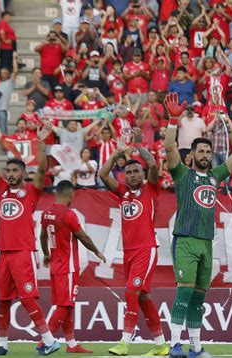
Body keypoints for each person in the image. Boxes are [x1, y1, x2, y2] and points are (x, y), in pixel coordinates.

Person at [163, 92, 232, 357]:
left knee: (199, 298)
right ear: (191, 155)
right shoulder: (182, 175)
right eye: (200, 151)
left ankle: (195, 347)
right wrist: (173, 121)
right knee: (184, 294)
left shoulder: (216, 176)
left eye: (208, 151)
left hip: (206, 242)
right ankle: (174, 345)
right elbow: (170, 148)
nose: (205, 154)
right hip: (185, 240)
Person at [0, 112, 60, 356]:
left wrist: (43, 142)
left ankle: (49, 340)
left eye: (15, 170)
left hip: (23, 252)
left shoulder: (32, 192)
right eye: (9, 171)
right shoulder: (2, 190)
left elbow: (43, 168)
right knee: (3, 301)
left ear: (23, 173)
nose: (10, 174)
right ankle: (3, 344)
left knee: (27, 298)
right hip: (4, 253)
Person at [99, 128, 168, 357]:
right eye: (128, 172)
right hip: (128, 252)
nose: (132, 175)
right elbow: (102, 174)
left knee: (131, 293)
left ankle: (124, 342)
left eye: (136, 171)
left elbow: (155, 166)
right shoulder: (123, 193)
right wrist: (117, 151)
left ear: (143, 174)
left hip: (146, 249)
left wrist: (137, 144)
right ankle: (160, 344)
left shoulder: (151, 189)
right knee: (143, 296)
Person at [40, 180, 106, 354]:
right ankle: (45, 342)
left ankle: (71, 345)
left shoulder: (46, 213)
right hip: (67, 268)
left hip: (55, 267)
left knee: (67, 306)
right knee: (64, 305)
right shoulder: (69, 214)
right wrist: (97, 252)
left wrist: (46, 254)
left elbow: (42, 237)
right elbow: (83, 237)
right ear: (70, 195)